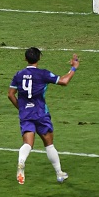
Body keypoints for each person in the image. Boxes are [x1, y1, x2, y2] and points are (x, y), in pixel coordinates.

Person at [8, 48, 79, 185]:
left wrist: (21, 108)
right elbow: (64, 81)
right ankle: (59, 173)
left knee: (27, 143)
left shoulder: (19, 75)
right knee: (49, 145)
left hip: (26, 113)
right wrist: (73, 68)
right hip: (40, 113)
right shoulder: (43, 74)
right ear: (39, 59)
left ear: (25, 59)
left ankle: (21, 162)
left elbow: (10, 94)